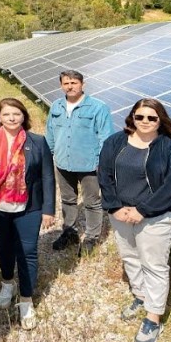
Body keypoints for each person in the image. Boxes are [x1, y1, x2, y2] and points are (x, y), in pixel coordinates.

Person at [98, 98, 171, 342]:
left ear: (161, 120)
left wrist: (144, 210)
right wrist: (115, 206)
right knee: (129, 258)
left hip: (156, 217)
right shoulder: (115, 142)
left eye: (152, 118)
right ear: (132, 118)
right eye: (140, 117)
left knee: (154, 265)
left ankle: (153, 316)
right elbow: (104, 174)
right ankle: (140, 296)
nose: (145, 122)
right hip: (121, 214)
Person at [0, 98, 55, 330]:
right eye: (6, 114)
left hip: (28, 207)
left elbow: (47, 177)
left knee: (28, 252)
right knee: (4, 247)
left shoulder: (37, 142)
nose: (12, 118)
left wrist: (49, 209)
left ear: (24, 117)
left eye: (16, 114)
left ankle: (26, 300)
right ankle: (7, 283)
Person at [45, 70, 113, 255]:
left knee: (92, 202)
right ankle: (70, 232)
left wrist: (102, 162)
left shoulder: (98, 107)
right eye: (66, 83)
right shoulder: (56, 106)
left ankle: (92, 237)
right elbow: (50, 133)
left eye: (74, 82)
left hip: (89, 164)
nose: (70, 86)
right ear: (61, 85)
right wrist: (48, 155)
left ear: (82, 84)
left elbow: (106, 137)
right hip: (62, 162)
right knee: (67, 199)